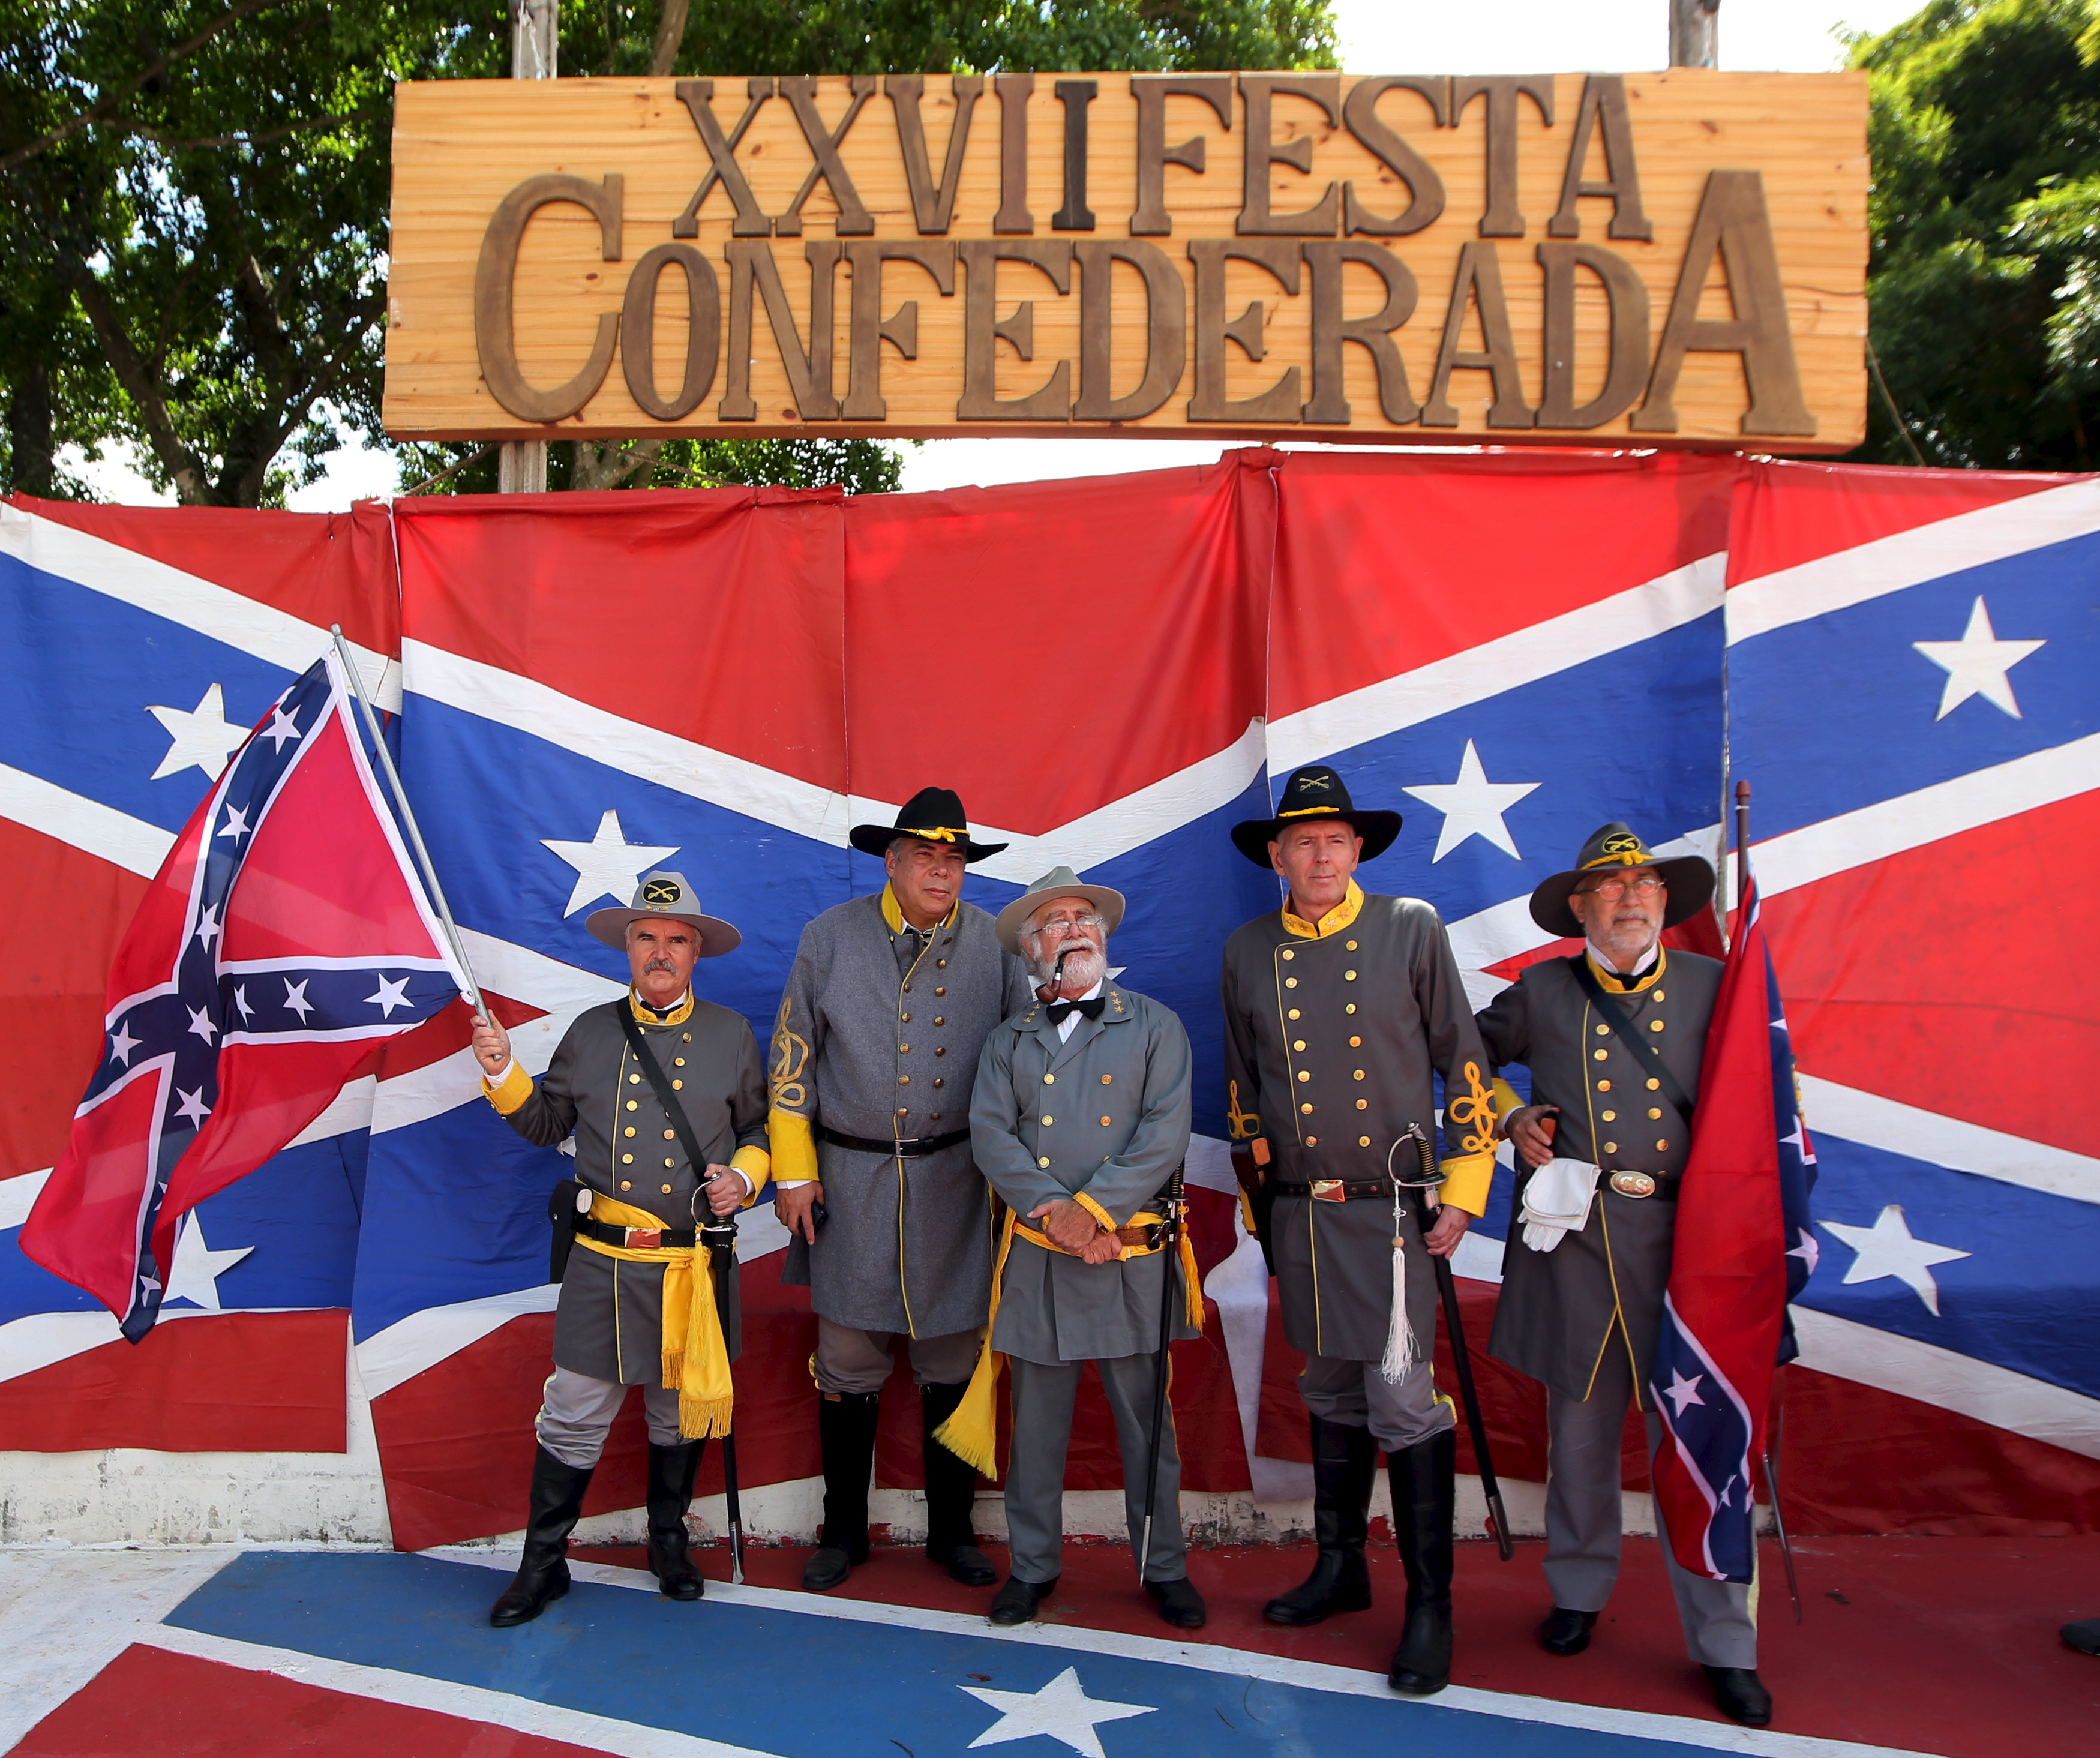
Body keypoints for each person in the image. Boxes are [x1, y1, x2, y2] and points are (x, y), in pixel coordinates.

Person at [1477, 823, 1772, 1729]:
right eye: (1609, 886)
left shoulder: (1716, 987)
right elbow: (1459, 1062)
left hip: (1690, 1247)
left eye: (1644, 883)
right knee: (1579, 1435)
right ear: (1579, 906)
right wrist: (1509, 1116)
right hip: (1577, 1243)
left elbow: (1768, 1103)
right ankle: (1577, 1589)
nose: (1630, 897)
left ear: (1666, 901)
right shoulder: (1542, 990)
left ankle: (1725, 1638)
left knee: (1702, 1448)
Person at [1219, 764, 1498, 1697]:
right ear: (1277, 855)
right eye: (1303, 841)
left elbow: (1465, 1059)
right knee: (1328, 1387)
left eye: (1336, 839)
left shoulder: (1409, 927)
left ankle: (1430, 1605)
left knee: (1402, 1400)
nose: (1321, 854)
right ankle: (1340, 1568)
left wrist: (1463, 1187)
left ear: (1359, 848)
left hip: (1391, 1212)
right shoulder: (1248, 948)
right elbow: (1244, 1092)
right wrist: (1262, 1208)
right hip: (1301, 1209)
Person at [470, 872, 767, 1627]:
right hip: (603, 1262)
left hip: (688, 1264)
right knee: (572, 1409)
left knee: (675, 1414)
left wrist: (743, 1175)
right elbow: (544, 1126)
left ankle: (667, 1543)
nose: (660, 951)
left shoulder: (732, 1034)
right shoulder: (591, 1032)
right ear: (627, 949)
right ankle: (544, 1563)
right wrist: (503, 1072)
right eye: (646, 937)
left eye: (675, 939)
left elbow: (760, 1129)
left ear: (695, 951)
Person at [768, 787, 1035, 1591]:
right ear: (892, 860)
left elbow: (1027, 1063)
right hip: (849, 1181)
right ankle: (843, 1528)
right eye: (926, 857)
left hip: (959, 1181)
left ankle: (952, 1530)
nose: (941, 872)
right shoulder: (830, 938)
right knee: (847, 1357)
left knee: (953, 1355)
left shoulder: (998, 946)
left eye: (953, 859)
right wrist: (793, 1168)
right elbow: (791, 1060)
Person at [959, 865, 1206, 1631]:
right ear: (1031, 949)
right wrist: (1055, 1215)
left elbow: (1162, 1131)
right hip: (1040, 1254)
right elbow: (990, 1136)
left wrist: (1094, 1213)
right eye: (1055, 921)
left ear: (1103, 937)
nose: (1074, 928)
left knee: (1149, 1427)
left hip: (1129, 1252)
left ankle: (1162, 1565)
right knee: (1034, 1431)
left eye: (1084, 917)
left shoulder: (1156, 1025)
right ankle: (1032, 1567)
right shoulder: (1008, 1040)